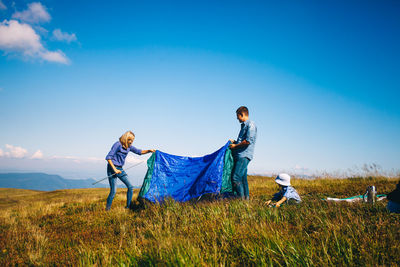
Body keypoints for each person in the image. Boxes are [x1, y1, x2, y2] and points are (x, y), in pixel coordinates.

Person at [105, 131, 155, 210]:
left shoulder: (129, 146)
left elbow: (139, 151)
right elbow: (108, 157)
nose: (131, 142)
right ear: (125, 138)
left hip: (120, 168)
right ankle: (107, 210)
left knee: (130, 187)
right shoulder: (118, 144)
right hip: (112, 168)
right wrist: (114, 169)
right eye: (129, 140)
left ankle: (128, 207)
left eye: (132, 140)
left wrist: (149, 150)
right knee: (113, 191)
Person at [229, 106, 257, 200]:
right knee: (243, 179)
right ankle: (246, 201)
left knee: (235, 178)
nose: (237, 119)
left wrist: (235, 146)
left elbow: (248, 141)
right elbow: (242, 141)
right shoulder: (243, 126)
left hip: (244, 155)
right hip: (240, 155)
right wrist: (235, 142)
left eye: (238, 116)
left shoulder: (251, 125)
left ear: (242, 114)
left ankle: (241, 200)